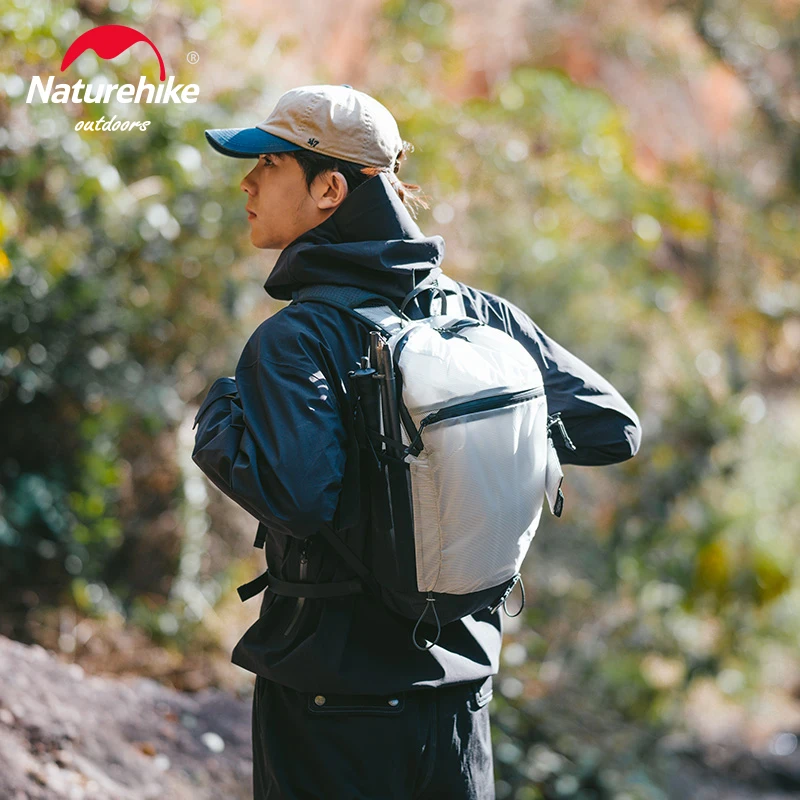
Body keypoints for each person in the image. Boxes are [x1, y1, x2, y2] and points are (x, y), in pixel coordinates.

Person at [193, 84, 642, 800]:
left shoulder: (298, 337)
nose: (246, 182)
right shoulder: (479, 315)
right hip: (462, 702)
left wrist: (218, 417)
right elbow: (611, 426)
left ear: (330, 189)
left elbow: (298, 501)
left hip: (331, 709)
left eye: (269, 163)